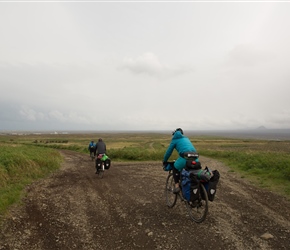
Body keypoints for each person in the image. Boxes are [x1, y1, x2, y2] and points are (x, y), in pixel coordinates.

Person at [163, 128, 199, 194]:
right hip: (196, 157)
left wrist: (164, 160)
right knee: (193, 173)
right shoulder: (186, 138)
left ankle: (177, 186)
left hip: (185, 157)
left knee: (175, 168)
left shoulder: (174, 140)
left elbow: (168, 152)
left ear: (174, 134)